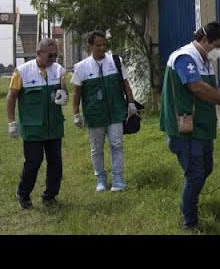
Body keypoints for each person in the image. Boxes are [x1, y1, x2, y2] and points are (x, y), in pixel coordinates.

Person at [160, 22, 220, 232]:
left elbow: (212, 88)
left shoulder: (203, 60)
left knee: (205, 169)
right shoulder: (185, 57)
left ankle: (188, 202)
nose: (217, 51)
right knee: (195, 174)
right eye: (215, 45)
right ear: (204, 40)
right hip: (186, 128)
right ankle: (189, 222)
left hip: (202, 126)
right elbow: (197, 88)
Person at [6, 37, 68, 209]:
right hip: (32, 126)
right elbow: (11, 97)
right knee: (33, 162)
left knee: (55, 162)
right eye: (50, 55)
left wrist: (63, 95)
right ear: (39, 53)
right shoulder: (22, 72)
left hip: (53, 126)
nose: (53, 59)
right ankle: (23, 193)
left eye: (56, 55)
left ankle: (50, 197)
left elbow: (63, 96)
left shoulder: (59, 71)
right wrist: (11, 123)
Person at [71, 30, 137, 192]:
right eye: (98, 45)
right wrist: (76, 114)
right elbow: (76, 92)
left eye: (104, 45)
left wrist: (131, 103)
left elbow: (125, 84)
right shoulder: (81, 67)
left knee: (117, 145)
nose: (102, 48)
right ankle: (101, 179)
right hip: (95, 114)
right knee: (97, 148)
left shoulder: (115, 61)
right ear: (90, 46)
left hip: (115, 112)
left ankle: (118, 180)